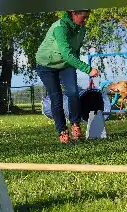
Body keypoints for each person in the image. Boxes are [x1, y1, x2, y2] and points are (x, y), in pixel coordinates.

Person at [35, 9, 99, 144]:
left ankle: (75, 124)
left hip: (66, 64)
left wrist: (75, 66)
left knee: (74, 92)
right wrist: (87, 69)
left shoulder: (81, 29)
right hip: (46, 65)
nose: (86, 20)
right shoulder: (60, 28)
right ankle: (62, 131)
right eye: (84, 17)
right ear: (74, 13)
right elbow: (66, 53)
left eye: (88, 17)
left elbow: (75, 50)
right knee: (56, 97)